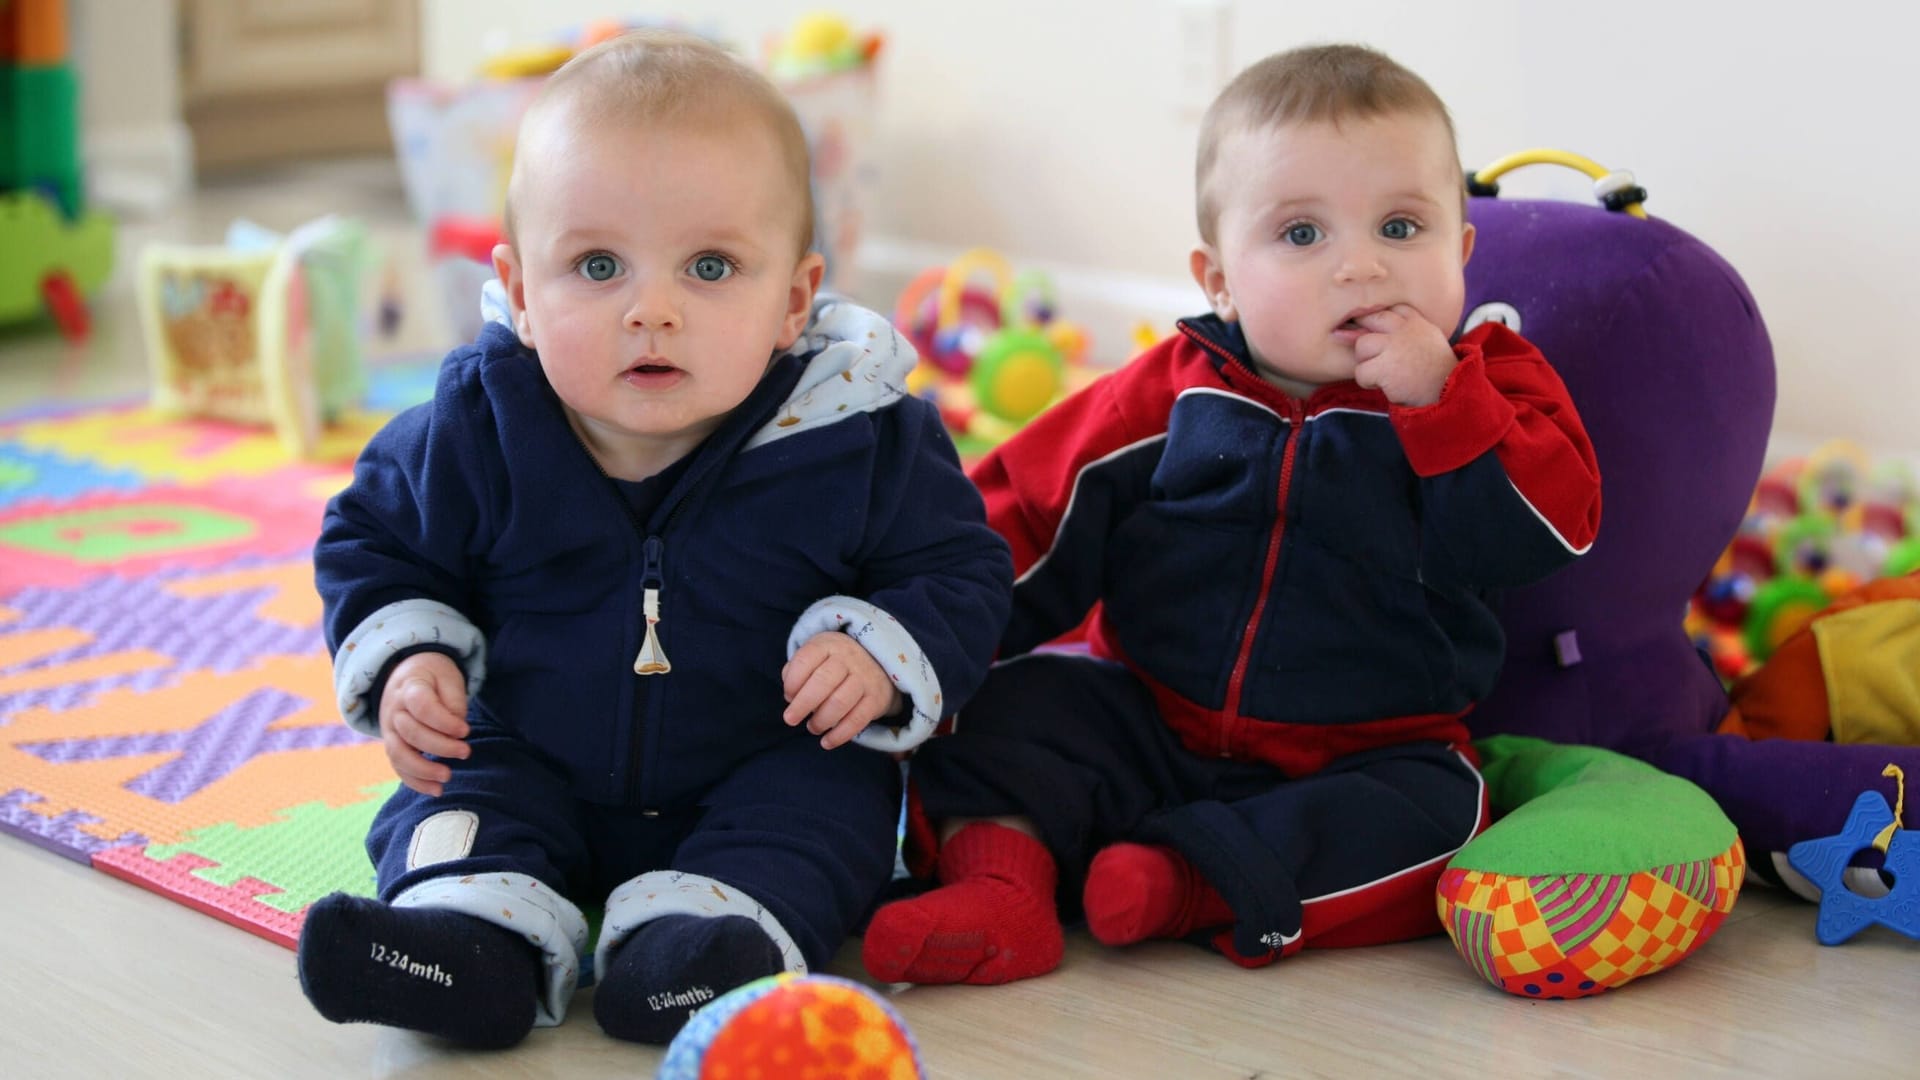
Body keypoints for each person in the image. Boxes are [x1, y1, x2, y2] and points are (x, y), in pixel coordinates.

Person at [297, 30, 1012, 1047]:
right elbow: (375, 540)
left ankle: (699, 957)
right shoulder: (476, 426)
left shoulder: (861, 439)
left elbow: (961, 567)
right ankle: (462, 947)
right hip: (526, 749)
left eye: (711, 266)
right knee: (457, 804)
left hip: (767, 755)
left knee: (823, 816)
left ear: (795, 299)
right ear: (523, 289)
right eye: (597, 265)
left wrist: (882, 649)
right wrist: (410, 652)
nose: (653, 310)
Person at [862, 43, 1602, 985]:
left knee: (1447, 817)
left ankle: (1184, 885)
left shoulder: (1496, 387)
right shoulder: (1167, 398)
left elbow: (1548, 534)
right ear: (1218, 279)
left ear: (1462, 251)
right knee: (1001, 710)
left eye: (1401, 227)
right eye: (1302, 236)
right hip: (1150, 714)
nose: (1362, 267)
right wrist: (912, 635)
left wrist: (1443, 401)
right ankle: (1001, 889)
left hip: (1369, 749)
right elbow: (1026, 520)